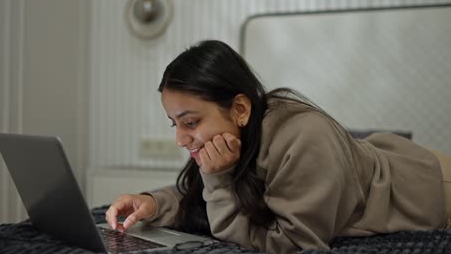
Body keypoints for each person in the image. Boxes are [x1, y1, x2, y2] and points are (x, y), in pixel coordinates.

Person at [105, 40, 450, 253]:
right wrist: (152, 204)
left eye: (191, 122)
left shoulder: (305, 136)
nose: (181, 139)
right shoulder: (234, 139)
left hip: (429, 186)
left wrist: (219, 181)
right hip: (367, 161)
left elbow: (293, 243)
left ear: (240, 109)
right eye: (175, 124)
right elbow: (200, 198)